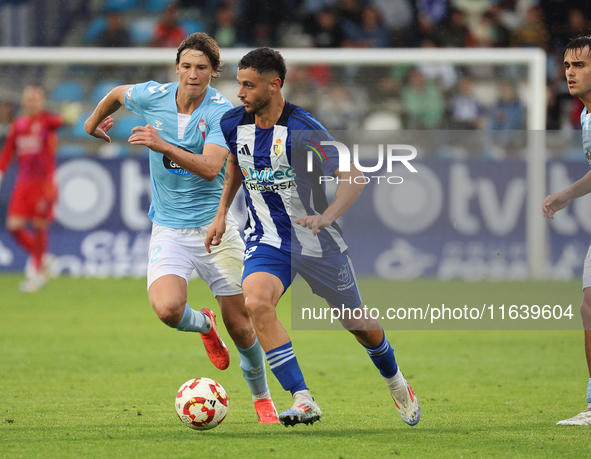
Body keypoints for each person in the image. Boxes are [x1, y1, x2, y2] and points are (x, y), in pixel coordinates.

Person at [205, 47, 420, 427]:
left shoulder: (305, 130)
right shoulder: (233, 123)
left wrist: (326, 217)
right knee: (256, 302)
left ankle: (397, 382)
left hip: (317, 241)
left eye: (248, 86)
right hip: (269, 239)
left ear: (274, 86)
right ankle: (303, 399)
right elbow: (235, 163)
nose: (240, 93)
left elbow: (355, 178)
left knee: (357, 323)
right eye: (239, 84)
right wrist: (222, 212)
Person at [83, 33, 278, 424]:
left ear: (214, 72)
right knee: (168, 310)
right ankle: (204, 324)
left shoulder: (223, 113)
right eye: (187, 66)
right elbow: (119, 93)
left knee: (241, 327)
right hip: (169, 229)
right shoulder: (153, 95)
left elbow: (210, 170)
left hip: (214, 231)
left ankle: (262, 400)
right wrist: (91, 124)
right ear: (176, 68)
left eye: (202, 68)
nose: (193, 74)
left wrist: (162, 145)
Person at [543, 35, 591, 426]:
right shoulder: (586, 115)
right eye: (567, 66)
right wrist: (568, 195)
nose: (570, 73)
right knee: (589, 303)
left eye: (580, 66)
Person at [0, 86, 62, 292]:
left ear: (42, 102)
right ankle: (43, 259)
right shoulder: (18, 125)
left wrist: (69, 117)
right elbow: (8, 151)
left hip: (43, 183)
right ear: (24, 102)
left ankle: (36, 275)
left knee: (39, 226)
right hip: (23, 183)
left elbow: (60, 122)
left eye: (36, 99)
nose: (33, 102)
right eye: (29, 99)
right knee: (13, 225)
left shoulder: (47, 122)